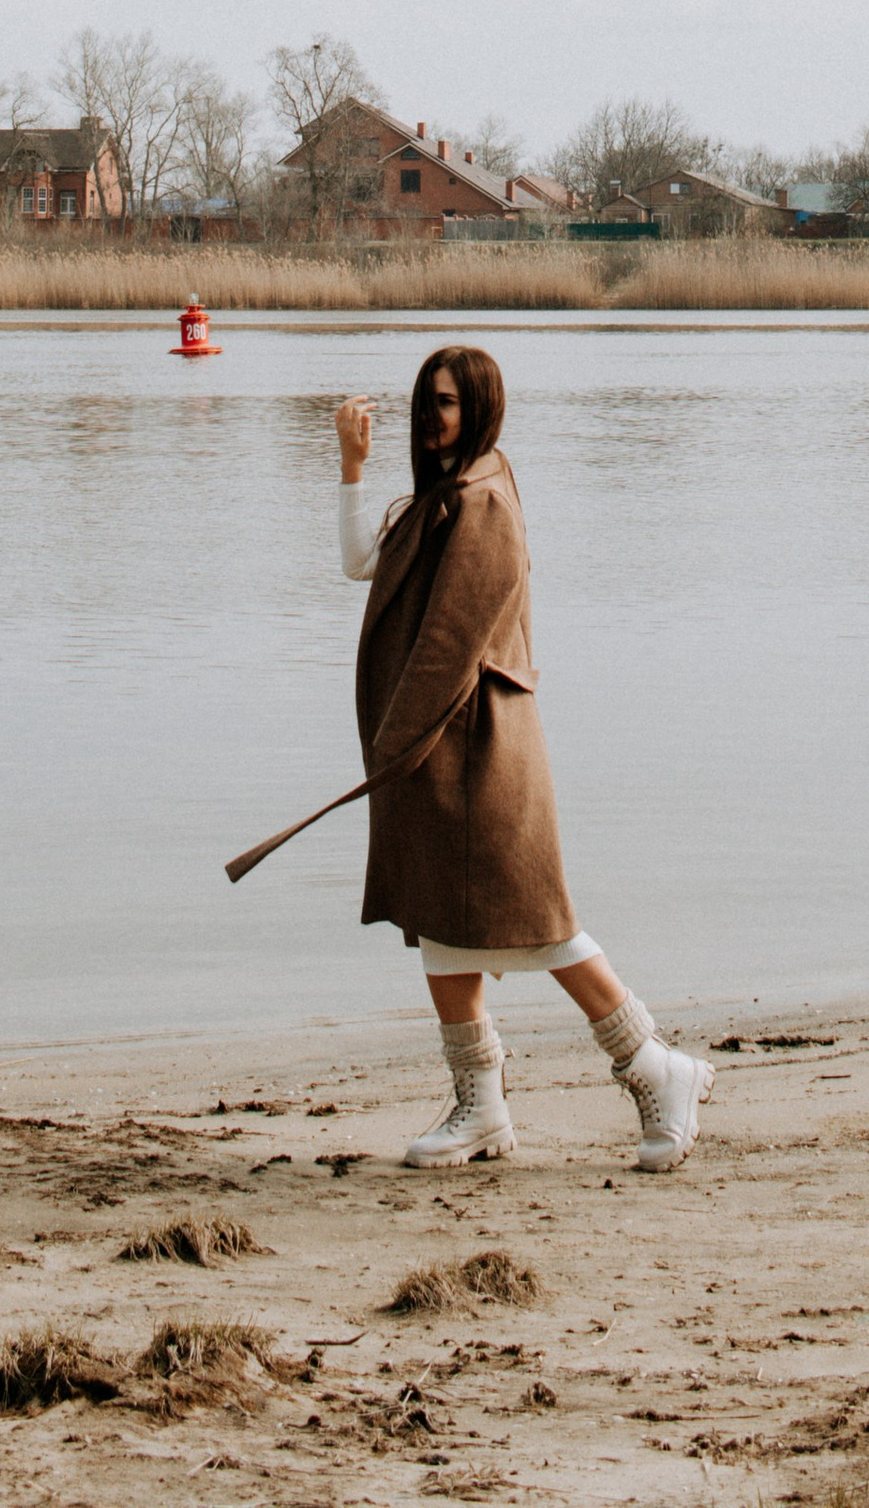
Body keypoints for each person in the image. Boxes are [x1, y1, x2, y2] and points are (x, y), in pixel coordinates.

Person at [335, 345, 711, 1174]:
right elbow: (362, 561)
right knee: (442, 927)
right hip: (437, 755)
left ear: (481, 411)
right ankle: (483, 1109)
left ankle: (656, 1067)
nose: (433, 418)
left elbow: (449, 644)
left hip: (479, 756)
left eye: (449, 404)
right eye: (426, 402)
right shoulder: (443, 497)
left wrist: (392, 746)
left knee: (535, 924)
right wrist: (352, 466)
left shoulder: (486, 505)